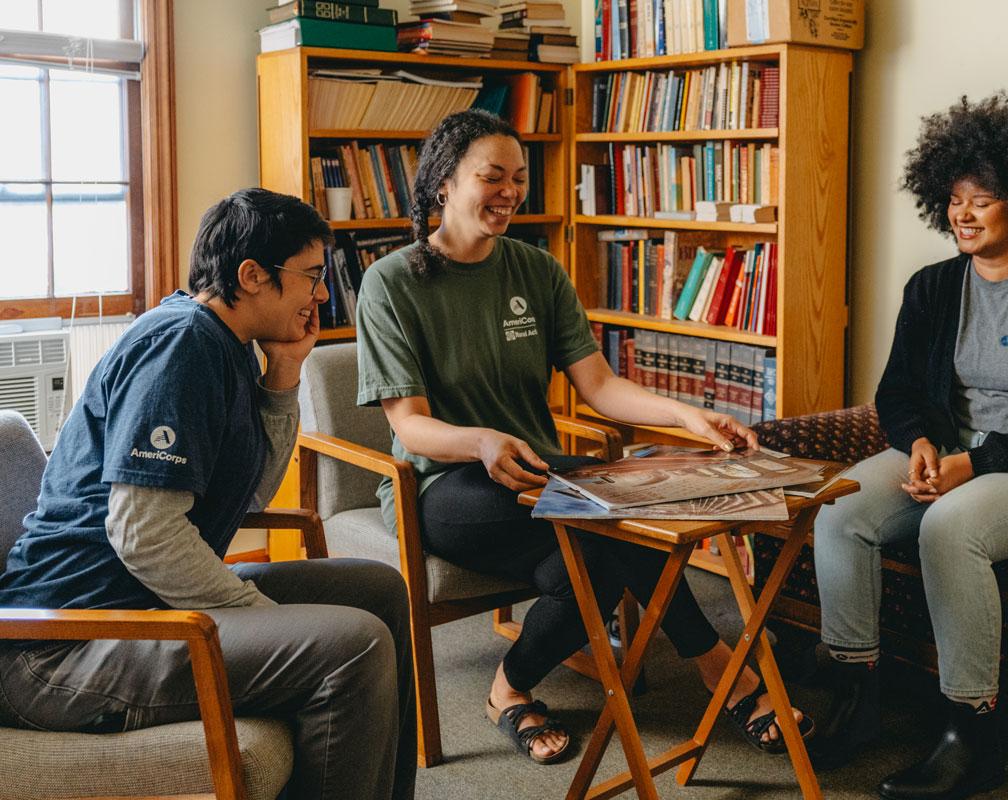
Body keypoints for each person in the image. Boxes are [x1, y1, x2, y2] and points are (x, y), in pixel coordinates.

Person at [355, 109, 807, 765]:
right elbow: (409, 424)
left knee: (597, 560)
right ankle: (721, 669)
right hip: (444, 486)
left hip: (541, 475)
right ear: (443, 184)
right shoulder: (391, 282)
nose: (510, 191)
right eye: (492, 177)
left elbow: (597, 384)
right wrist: (483, 442)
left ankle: (508, 690)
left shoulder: (537, 271)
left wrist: (686, 416)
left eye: (518, 178)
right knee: (611, 522)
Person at [0, 188, 417, 800]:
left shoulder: (226, 346)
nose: (322, 295)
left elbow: (249, 496)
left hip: (141, 611)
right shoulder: (180, 346)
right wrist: (266, 620)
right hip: (62, 649)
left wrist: (284, 376)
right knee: (350, 647)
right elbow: (145, 533)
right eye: (311, 276)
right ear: (252, 276)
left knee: (377, 589)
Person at [806, 92, 1008, 800]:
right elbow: (898, 393)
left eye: (985, 199)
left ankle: (971, 737)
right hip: (951, 454)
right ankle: (856, 699)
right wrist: (917, 444)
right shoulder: (931, 289)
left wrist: (969, 466)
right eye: (954, 198)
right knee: (841, 510)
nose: (963, 213)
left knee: (949, 528)